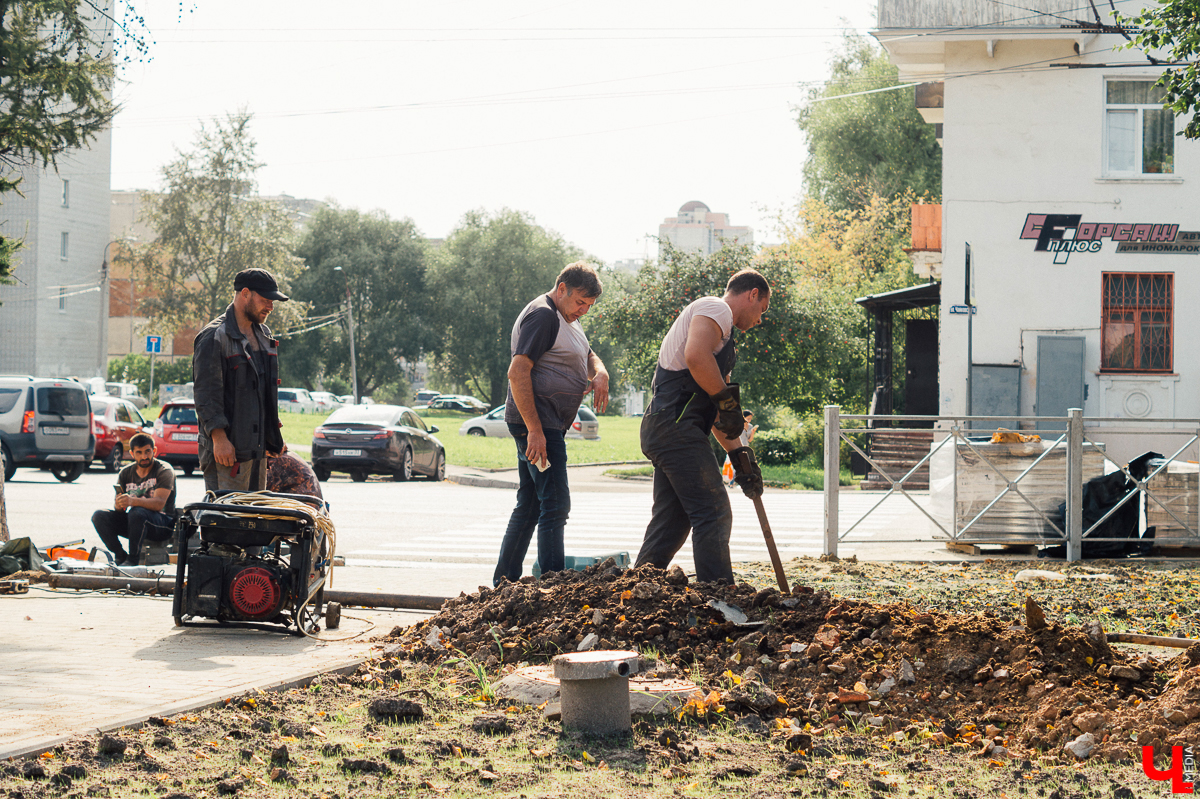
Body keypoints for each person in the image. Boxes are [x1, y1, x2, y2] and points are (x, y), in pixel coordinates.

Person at [634, 269, 770, 584]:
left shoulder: (723, 344)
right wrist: (725, 400)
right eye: (761, 310)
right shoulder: (716, 308)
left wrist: (740, 457)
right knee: (713, 512)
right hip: (674, 428)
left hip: (669, 429)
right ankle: (719, 595)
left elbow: (720, 417)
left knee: (673, 521)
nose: (760, 320)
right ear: (751, 294)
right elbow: (695, 357)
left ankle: (637, 589)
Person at [492, 261, 609, 586]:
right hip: (538, 425)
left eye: (589, 305)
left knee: (530, 505)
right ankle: (555, 589)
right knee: (556, 504)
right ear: (562, 290)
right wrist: (535, 430)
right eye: (580, 302)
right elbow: (518, 372)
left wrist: (600, 372)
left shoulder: (564, 317)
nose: (583, 310)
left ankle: (504, 584)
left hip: (544, 425)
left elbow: (587, 353)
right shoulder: (544, 315)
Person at [193, 268, 289, 493]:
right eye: (266, 300)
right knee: (226, 521)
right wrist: (219, 439)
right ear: (245, 293)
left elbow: (263, 393)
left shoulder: (264, 335)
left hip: (256, 451)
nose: (271, 307)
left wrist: (273, 436)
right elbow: (206, 395)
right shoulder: (213, 337)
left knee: (253, 519)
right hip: (226, 452)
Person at [91, 433, 177, 566]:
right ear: (132, 453)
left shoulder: (164, 470)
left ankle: (133, 559)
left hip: (163, 524)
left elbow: (159, 504)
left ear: (154, 451)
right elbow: (119, 510)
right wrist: (120, 504)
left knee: (137, 512)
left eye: (148, 452)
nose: (144, 457)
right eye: (139, 453)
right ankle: (120, 555)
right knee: (99, 516)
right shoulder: (125, 473)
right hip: (136, 522)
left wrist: (131, 501)